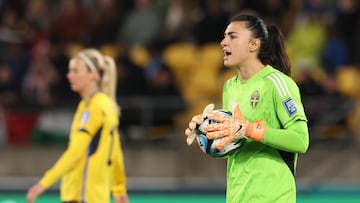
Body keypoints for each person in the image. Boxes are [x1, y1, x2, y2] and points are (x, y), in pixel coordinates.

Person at [185, 13, 309, 203]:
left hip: (273, 197)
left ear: (254, 45)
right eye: (225, 36)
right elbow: (236, 145)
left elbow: (301, 140)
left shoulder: (277, 83)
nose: (223, 42)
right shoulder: (229, 87)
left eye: (232, 36)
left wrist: (250, 129)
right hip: (237, 197)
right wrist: (208, 131)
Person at [26, 49, 129, 203]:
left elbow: (76, 151)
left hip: (84, 195)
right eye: (69, 71)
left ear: (93, 74)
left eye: (75, 71)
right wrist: (119, 189)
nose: (69, 75)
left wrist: (44, 183)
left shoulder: (96, 106)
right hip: (87, 195)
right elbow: (115, 152)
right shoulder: (91, 105)